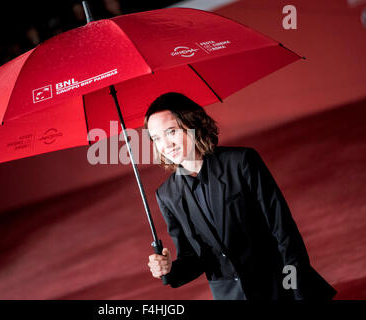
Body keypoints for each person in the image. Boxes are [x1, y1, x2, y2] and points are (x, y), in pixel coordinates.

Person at [144, 92, 337, 300]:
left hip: (278, 288)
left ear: (192, 125)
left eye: (171, 131)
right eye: (156, 138)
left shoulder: (241, 162)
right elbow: (196, 258)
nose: (165, 145)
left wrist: (299, 293)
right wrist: (168, 268)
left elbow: (283, 232)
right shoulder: (167, 195)